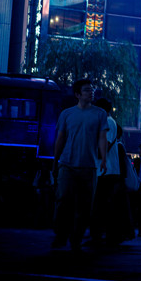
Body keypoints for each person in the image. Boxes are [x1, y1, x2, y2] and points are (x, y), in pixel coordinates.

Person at [51, 79, 109, 252]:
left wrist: (104, 159)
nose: (90, 93)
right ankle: (61, 236)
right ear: (77, 94)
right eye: (86, 90)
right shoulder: (67, 114)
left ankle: (76, 239)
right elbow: (60, 138)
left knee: (84, 206)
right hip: (67, 164)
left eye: (92, 90)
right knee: (63, 201)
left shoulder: (100, 114)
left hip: (89, 165)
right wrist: (55, 161)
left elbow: (102, 138)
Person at [88, 97, 121, 247]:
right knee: (101, 203)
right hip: (106, 170)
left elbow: (104, 146)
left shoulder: (108, 123)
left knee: (100, 204)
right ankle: (100, 235)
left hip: (105, 171)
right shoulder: (108, 122)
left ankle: (99, 235)